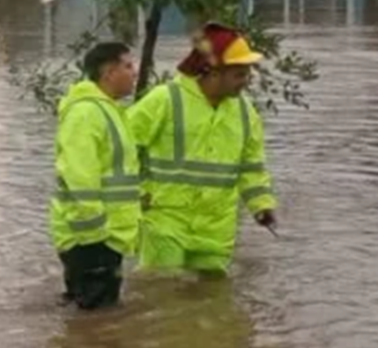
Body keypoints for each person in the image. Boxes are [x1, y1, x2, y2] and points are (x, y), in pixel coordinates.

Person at [127, 23, 278, 278]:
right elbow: (120, 145)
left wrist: (261, 205)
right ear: (213, 72)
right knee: (161, 294)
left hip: (217, 228)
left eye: (247, 74)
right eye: (239, 74)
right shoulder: (165, 99)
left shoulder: (245, 112)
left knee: (214, 299)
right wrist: (136, 191)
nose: (246, 81)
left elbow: (251, 167)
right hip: (166, 221)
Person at [51, 41, 142, 309]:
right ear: (108, 73)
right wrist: (94, 235)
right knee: (97, 322)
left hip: (104, 237)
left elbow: (113, 171)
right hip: (92, 238)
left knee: (93, 319)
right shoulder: (86, 113)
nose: (134, 72)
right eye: (127, 66)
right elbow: (80, 177)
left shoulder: (107, 110)